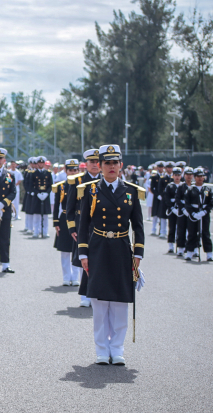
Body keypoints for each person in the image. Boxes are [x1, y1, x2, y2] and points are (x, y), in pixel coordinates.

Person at [77, 144, 144, 366]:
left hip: (121, 249)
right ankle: (101, 350)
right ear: (101, 166)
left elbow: (138, 226)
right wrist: (83, 253)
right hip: (98, 249)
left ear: (121, 165)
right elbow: (83, 223)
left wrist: (138, 255)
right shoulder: (90, 190)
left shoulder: (131, 191)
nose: (111, 167)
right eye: (107, 163)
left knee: (119, 303)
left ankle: (117, 348)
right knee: (98, 302)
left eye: (115, 163)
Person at [66, 149, 100, 308]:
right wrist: (72, 227)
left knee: (100, 259)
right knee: (84, 259)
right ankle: (85, 294)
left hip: (101, 225)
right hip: (82, 226)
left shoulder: (106, 179)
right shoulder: (77, 180)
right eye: (92, 162)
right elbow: (70, 206)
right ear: (86, 164)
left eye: (97, 161)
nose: (95, 164)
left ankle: (98, 292)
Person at [52, 159, 80, 286]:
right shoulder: (61, 186)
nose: (73, 173)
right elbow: (56, 204)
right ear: (66, 170)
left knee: (77, 250)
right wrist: (56, 223)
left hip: (77, 218)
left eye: (75, 170)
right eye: (70, 170)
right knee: (65, 251)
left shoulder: (81, 185)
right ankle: (66, 277)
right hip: (64, 218)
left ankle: (75, 277)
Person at [184, 168, 213, 261]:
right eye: (198, 177)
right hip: (194, 213)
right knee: (192, 233)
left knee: (205, 233)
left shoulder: (207, 189)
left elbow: (211, 202)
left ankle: (209, 253)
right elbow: (187, 202)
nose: (200, 178)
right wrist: (192, 213)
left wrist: (204, 211)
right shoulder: (190, 189)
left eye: (202, 176)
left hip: (204, 213)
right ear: (194, 178)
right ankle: (189, 252)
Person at [30, 156, 53, 238]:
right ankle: (36, 231)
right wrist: (37, 193)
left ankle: (45, 231)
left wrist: (47, 193)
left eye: (42, 163)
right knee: (36, 215)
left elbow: (50, 185)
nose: (41, 164)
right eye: (39, 163)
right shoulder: (33, 174)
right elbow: (31, 185)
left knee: (45, 215)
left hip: (45, 196)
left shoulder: (48, 173)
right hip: (37, 196)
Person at [175, 167, 194, 256]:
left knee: (193, 230)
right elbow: (178, 199)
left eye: (190, 175)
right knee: (181, 230)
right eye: (187, 174)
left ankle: (194, 248)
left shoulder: (194, 187)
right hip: (182, 211)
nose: (189, 176)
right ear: (184, 175)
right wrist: (182, 209)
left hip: (192, 211)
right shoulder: (181, 186)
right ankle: (181, 248)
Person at [163, 167, 183, 253]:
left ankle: (181, 246)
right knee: (172, 227)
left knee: (181, 228)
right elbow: (166, 198)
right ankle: (171, 244)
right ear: (173, 176)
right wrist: (171, 208)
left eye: (178, 175)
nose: (177, 177)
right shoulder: (169, 186)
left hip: (181, 210)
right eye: (175, 175)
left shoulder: (183, 186)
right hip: (172, 209)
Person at [156, 161, 173, 238]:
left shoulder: (174, 178)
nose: (169, 169)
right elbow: (160, 189)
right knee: (163, 216)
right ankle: (163, 231)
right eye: (168, 168)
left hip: (173, 200)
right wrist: (165, 197)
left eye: (171, 168)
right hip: (164, 199)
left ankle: (172, 233)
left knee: (172, 218)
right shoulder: (162, 178)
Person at [150, 161, 164, 235]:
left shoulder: (164, 177)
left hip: (162, 198)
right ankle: (153, 229)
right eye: (159, 167)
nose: (161, 168)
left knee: (161, 214)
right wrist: (157, 195)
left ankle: (161, 230)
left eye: (162, 167)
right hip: (156, 197)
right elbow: (152, 187)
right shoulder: (155, 176)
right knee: (155, 214)